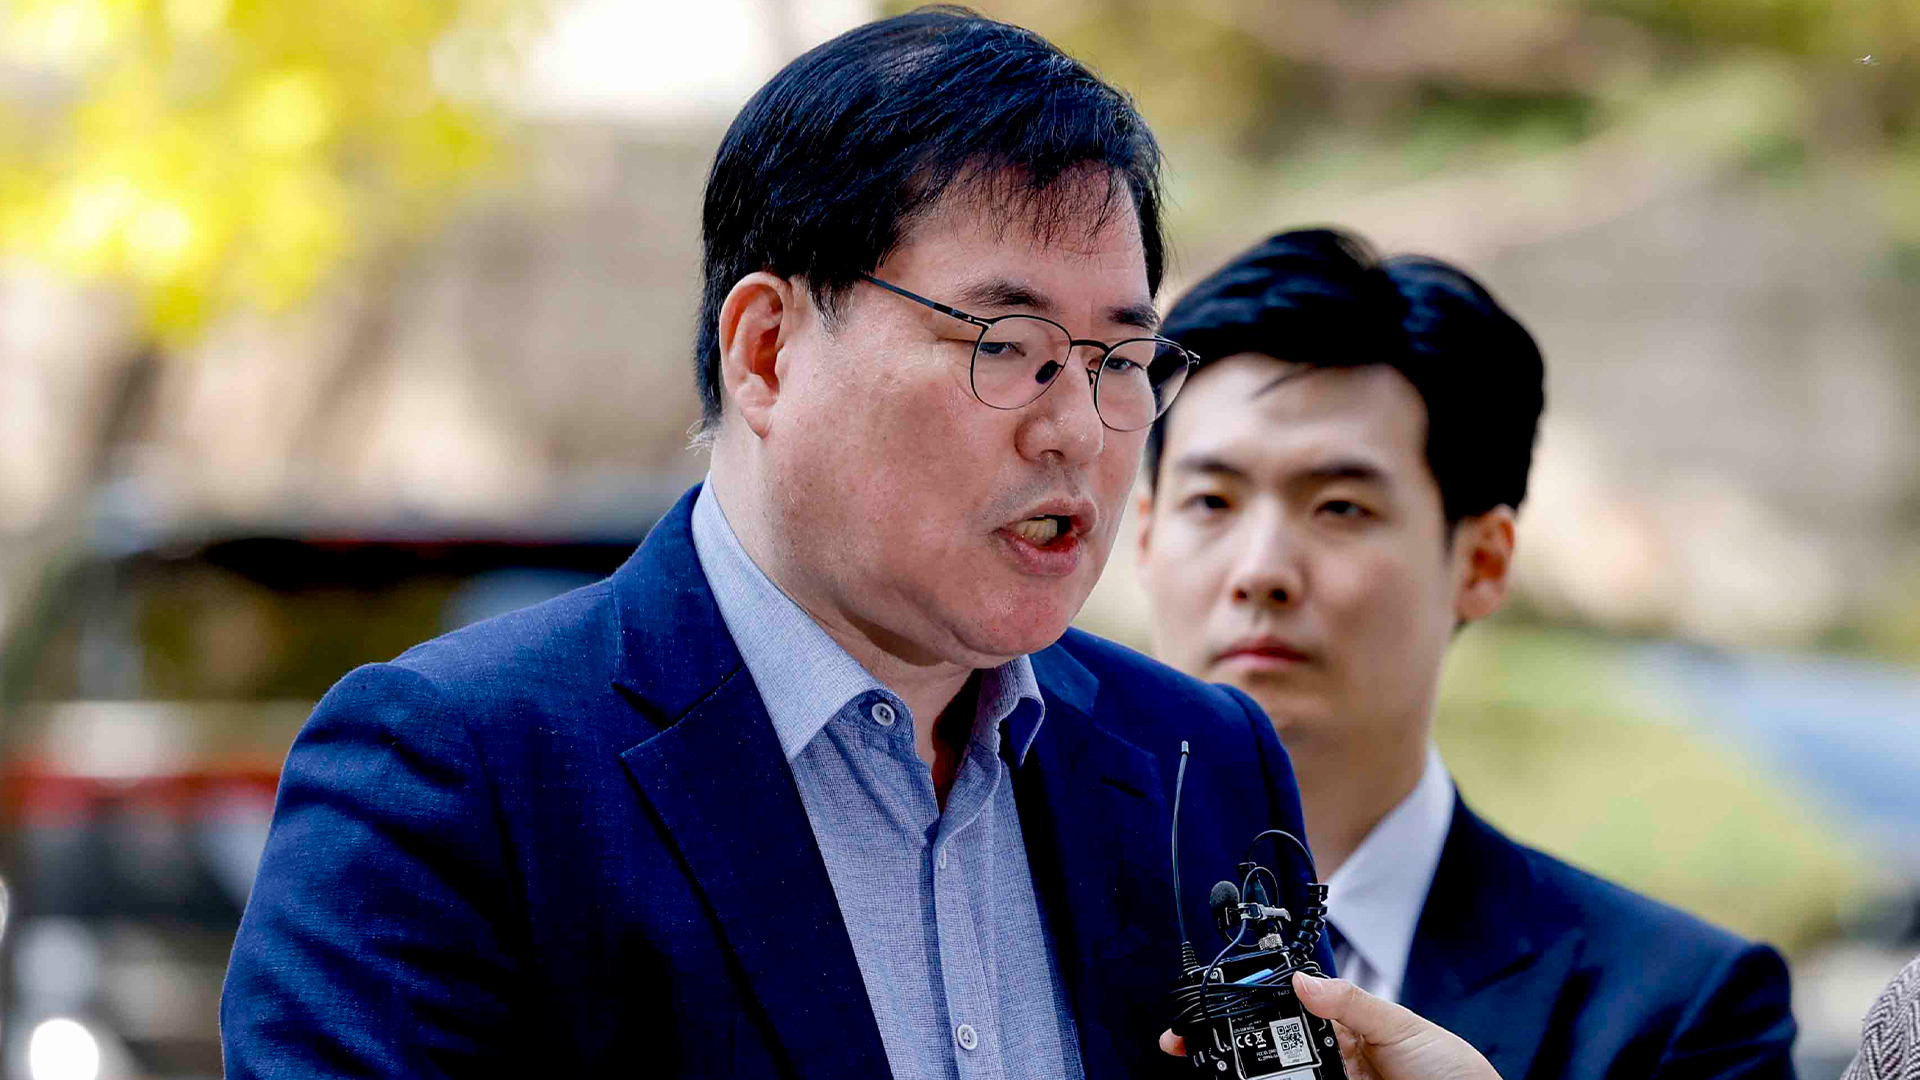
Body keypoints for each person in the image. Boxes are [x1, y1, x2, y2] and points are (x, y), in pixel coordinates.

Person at [221, 10, 1332, 1079]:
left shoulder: (1202, 760)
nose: (1078, 430)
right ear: (765, 351)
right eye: (1007, 345)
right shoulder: (459, 779)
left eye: (1118, 361)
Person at [1135, 228, 1799, 1079]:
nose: (1260, 570)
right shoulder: (1027, 913)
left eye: (1339, 507)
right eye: (1211, 501)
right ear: (1144, 533)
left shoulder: (1681, 1013)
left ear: (1482, 562)